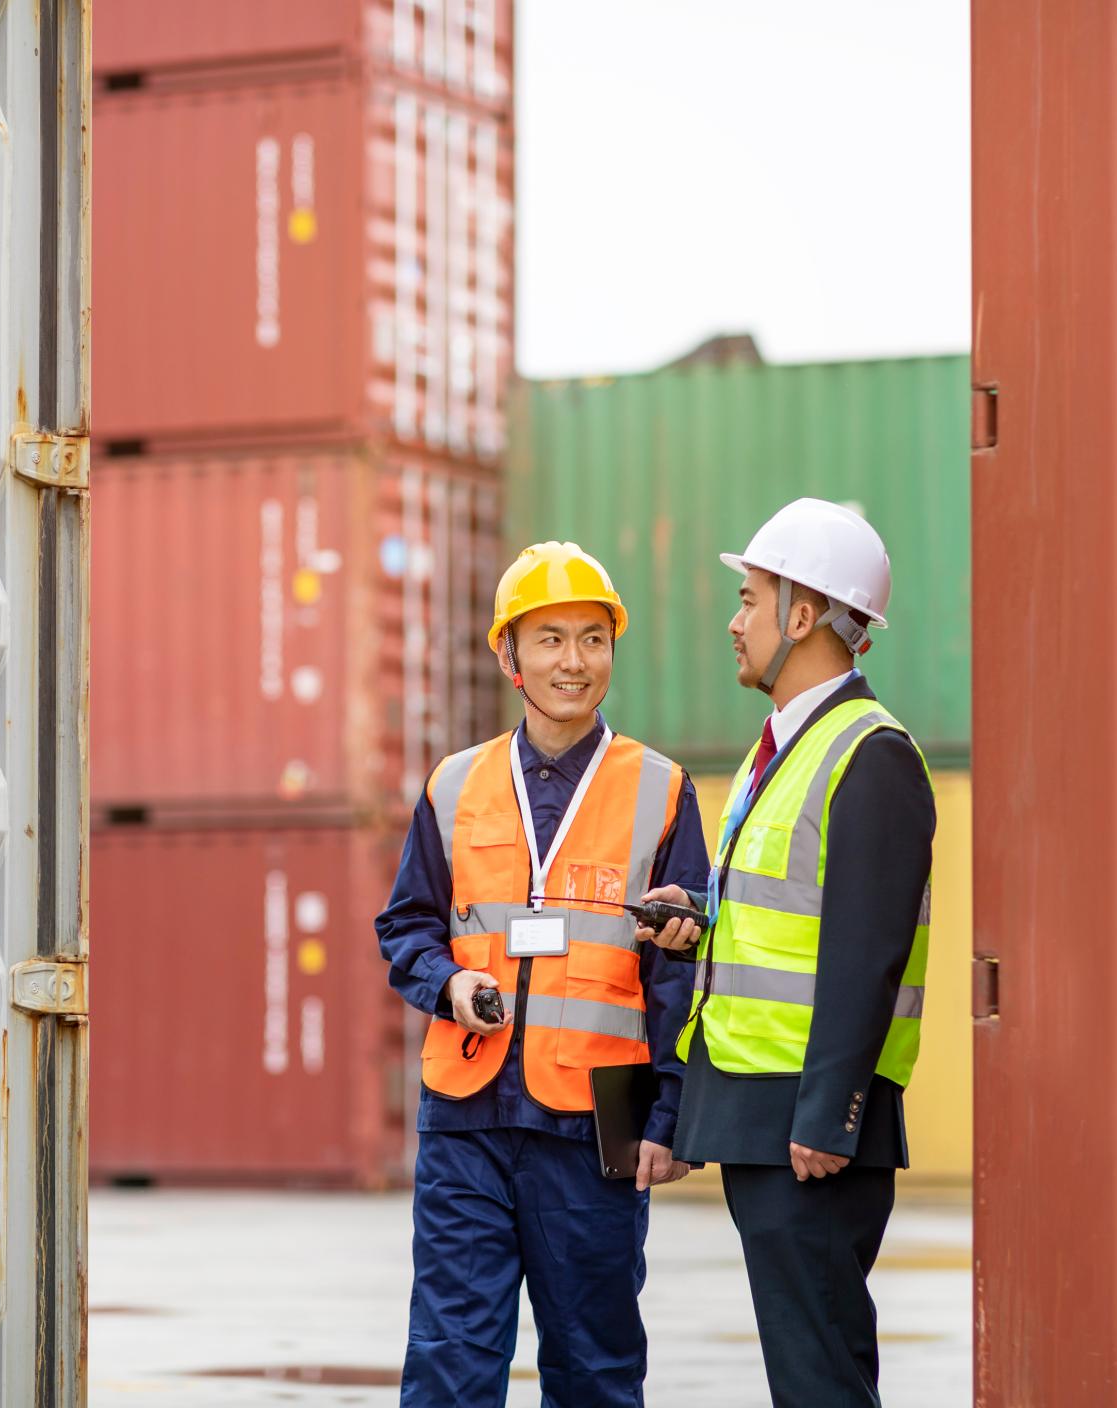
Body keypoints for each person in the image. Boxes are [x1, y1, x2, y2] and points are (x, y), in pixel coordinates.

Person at [377, 541, 711, 1408]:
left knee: (594, 1370)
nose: (575, 660)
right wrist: (449, 984)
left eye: (594, 638)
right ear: (508, 655)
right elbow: (408, 926)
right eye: (552, 638)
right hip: (466, 1119)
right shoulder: (454, 786)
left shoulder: (661, 790)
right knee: (450, 1359)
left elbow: (681, 972)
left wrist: (670, 1116)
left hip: (595, 1134)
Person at [638, 498, 937, 1408]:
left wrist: (829, 1116)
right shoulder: (786, 748)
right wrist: (697, 914)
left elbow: (866, 949)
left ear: (802, 616)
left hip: (810, 1128)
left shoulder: (868, 753)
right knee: (812, 1371)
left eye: (749, 598)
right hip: (767, 1112)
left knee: (820, 1381)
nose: (734, 622)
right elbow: (793, 917)